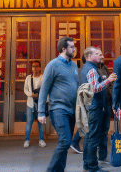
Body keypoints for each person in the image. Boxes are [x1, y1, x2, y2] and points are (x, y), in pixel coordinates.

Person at [38, 36, 79, 172]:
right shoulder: (52, 65)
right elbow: (44, 89)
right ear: (63, 49)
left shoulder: (73, 65)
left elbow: (76, 86)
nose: (74, 49)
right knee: (66, 141)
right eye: (71, 47)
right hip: (58, 109)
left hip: (72, 110)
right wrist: (41, 112)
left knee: (65, 143)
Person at [79, 47, 117, 172]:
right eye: (96, 53)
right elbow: (95, 88)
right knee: (93, 137)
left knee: (89, 137)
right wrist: (108, 80)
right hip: (94, 106)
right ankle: (92, 167)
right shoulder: (92, 69)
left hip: (90, 106)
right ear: (89, 56)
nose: (99, 55)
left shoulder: (86, 68)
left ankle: (87, 165)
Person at [23, 61, 46, 148]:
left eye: (36, 66)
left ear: (39, 68)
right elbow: (25, 89)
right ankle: (26, 140)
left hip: (40, 104)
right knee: (29, 122)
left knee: (41, 123)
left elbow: (45, 90)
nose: (35, 68)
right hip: (30, 104)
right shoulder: (28, 78)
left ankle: (41, 140)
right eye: (33, 66)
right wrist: (30, 94)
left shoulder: (43, 78)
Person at [96, 49, 112, 163]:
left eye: (102, 54)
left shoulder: (104, 68)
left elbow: (110, 85)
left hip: (107, 104)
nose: (102, 56)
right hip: (97, 105)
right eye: (100, 54)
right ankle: (92, 160)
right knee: (97, 131)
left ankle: (102, 156)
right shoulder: (92, 69)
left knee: (105, 131)